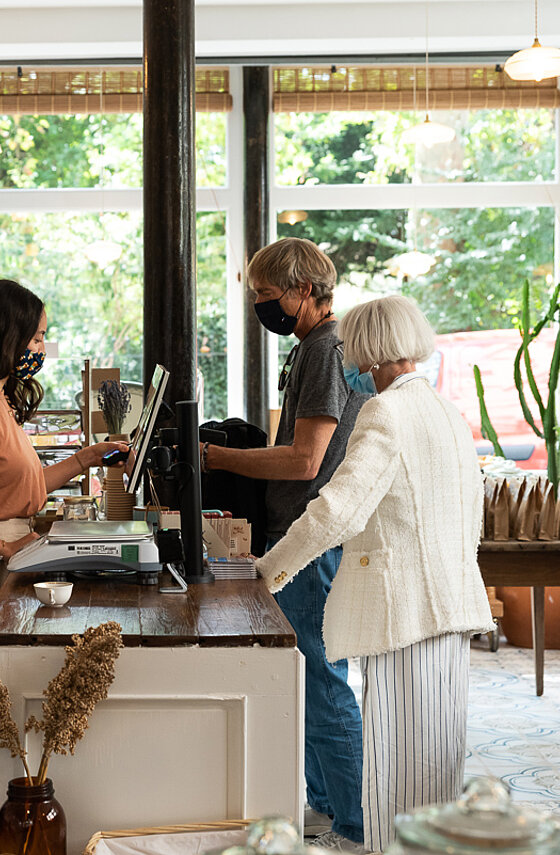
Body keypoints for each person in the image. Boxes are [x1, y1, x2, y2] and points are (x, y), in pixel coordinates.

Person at [255, 295, 494, 853]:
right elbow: (470, 512)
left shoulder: (384, 412)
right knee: (438, 758)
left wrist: (269, 571)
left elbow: (339, 510)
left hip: (403, 614)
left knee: (394, 769)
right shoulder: (446, 410)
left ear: (367, 349)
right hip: (451, 610)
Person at [0, 279, 128, 855]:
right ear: (8, 339)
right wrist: (1, 548)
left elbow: (24, 492)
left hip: (2, 558)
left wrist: (88, 457)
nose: (42, 344)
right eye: (36, 335)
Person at [203, 237, 368, 851]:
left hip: (312, 540)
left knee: (322, 678)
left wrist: (215, 456)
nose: (261, 308)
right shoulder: (315, 347)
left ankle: (352, 824)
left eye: (267, 297)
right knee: (311, 676)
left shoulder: (326, 350)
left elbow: (305, 461)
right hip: (304, 537)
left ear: (305, 291)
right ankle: (327, 808)